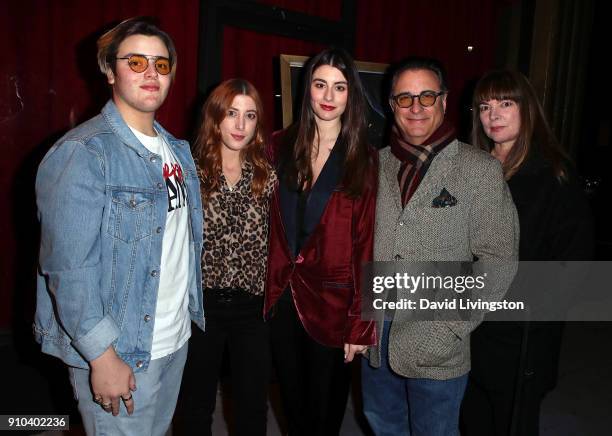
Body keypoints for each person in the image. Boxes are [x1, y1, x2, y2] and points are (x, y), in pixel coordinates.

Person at [34, 17, 204, 435]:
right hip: (120, 349)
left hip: (173, 339)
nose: (151, 72)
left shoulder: (178, 151)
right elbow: (69, 269)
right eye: (136, 61)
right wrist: (101, 356)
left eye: (161, 64)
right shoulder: (83, 153)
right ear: (110, 70)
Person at [361, 57, 519, 436]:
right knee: (383, 426)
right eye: (405, 98)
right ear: (391, 104)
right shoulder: (371, 166)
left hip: (439, 346)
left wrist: (449, 326)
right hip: (374, 341)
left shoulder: (480, 170)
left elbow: (499, 260)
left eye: (427, 96)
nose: (416, 107)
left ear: (444, 102)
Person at [460, 69, 593, 436]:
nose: (494, 114)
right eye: (485, 106)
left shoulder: (553, 176)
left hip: (522, 336)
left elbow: (575, 266)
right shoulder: (472, 170)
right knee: (471, 421)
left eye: (506, 103)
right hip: (472, 326)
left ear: (528, 108)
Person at [264, 47, 377, 435]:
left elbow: (366, 244)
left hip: (334, 305)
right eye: (320, 85)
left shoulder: (364, 158)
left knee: (326, 415)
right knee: (293, 410)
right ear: (307, 89)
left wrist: (362, 323)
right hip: (282, 299)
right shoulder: (276, 146)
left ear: (351, 96)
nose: (328, 97)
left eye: (340, 87)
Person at [178, 79, 276, 436]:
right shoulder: (190, 171)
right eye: (232, 113)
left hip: (252, 309)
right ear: (215, 118)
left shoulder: (267, 176)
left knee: (252, 404)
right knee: (195, 403)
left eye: (249, 116)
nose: (240, 125)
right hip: (200, 308)